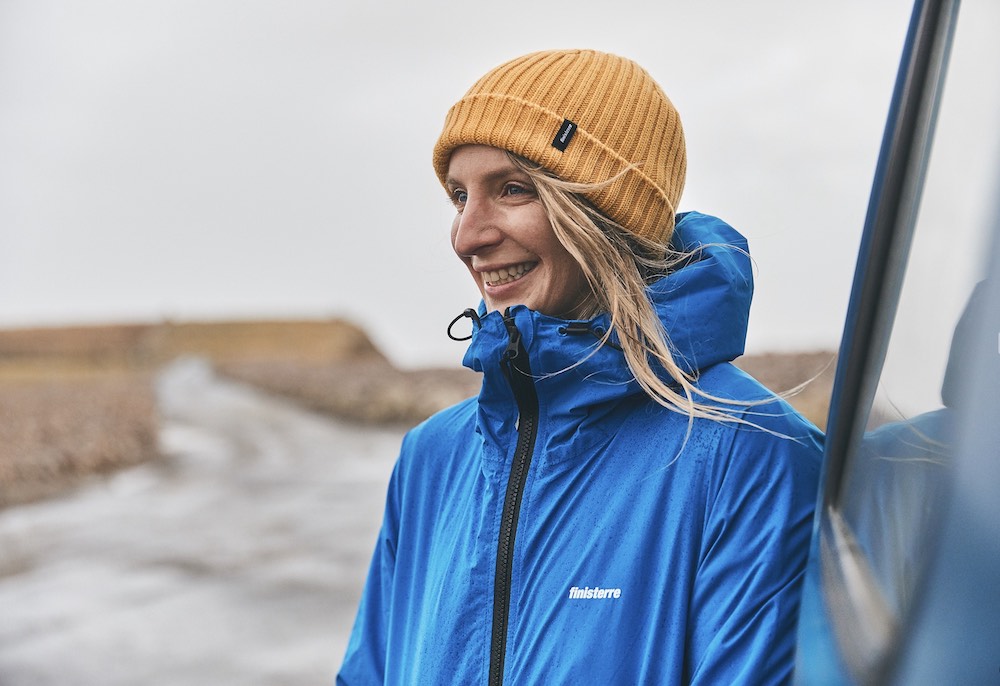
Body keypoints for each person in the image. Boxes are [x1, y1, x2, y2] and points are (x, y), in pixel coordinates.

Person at [337, 49, 823, 685]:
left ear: (606, 214)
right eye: (460, 196)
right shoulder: (431, 458)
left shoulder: (752, 454)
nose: (466, 236)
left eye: (513, 189)